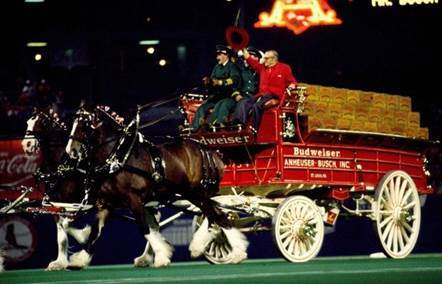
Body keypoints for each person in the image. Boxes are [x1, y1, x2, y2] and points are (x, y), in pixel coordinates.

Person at [232, 49, 297, 132]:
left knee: (257, 106)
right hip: (262, 95)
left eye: (266, 58)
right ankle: (240, 125)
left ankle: (254, 129)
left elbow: (293, 82)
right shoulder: (262, 67)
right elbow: (250, 60)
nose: (263, 60)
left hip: (274, 95)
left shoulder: (284, 68)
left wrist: (291, 86)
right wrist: (243, 48)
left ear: (273, 59)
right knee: (244, 102)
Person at [190, 45, 241, 131]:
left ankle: (215, 125)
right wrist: (208, 82)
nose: (217, 57)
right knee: (202, 107)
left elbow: (234, 79)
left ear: (226, 55)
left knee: (220, 106)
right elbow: (213, 80)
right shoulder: (216, 67)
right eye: (217, 55)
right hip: (217, 96)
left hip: (228, 95)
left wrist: (220, 82)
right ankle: (193, 128)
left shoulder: (232, 66)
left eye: (219, 55)